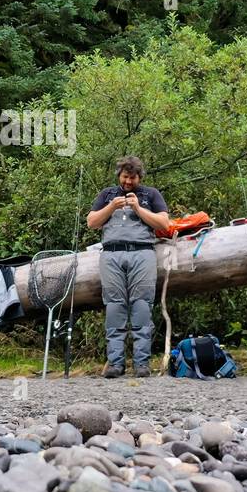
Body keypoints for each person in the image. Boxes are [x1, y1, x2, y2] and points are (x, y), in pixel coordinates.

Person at [87, 156, 170, 377]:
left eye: (132, 178)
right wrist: (112, 206)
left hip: (142, 253)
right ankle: (115, 364)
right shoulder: (107, 195)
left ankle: (141, 364)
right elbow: (92, 222)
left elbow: (164, 223)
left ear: (139, 177)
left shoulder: (151, 194)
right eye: (125, 177)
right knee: (114, 306)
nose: (128, 182)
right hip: (111, 254)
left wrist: (138, 208)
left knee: (141, 305)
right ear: (119, 175)